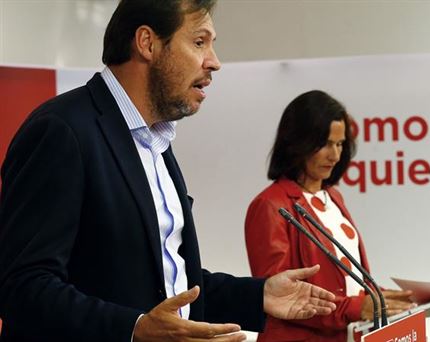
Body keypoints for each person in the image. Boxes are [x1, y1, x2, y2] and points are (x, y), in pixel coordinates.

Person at [0, 1, 337, 341]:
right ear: (147, 43)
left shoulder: (156, 142)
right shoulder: (61, 130)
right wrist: (134, 329)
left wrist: (259, 295)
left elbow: (164, 284)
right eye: (199, 42)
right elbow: (21, 287)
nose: (214, 62)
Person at [244, 90, 416, 341]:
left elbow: (348, 282)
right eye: (324, 144)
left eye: (339, 144)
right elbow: (280, 297)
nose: (335, 155)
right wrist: (357, 308)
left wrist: (386, 297)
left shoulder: (334, 196)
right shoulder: (269, 205)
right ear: (297, 142)